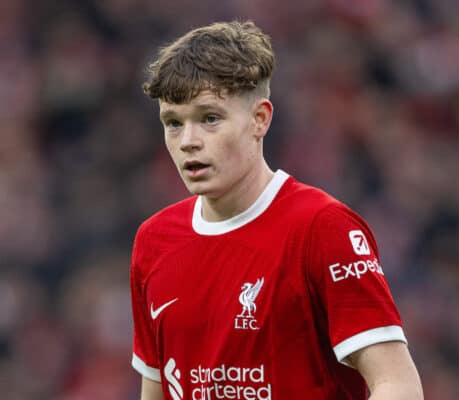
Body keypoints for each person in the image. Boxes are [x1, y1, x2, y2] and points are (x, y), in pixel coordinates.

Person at [130, 20, 423, 400]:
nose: (188, 141)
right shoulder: (154, 241)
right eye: (173, 123)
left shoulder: (322, 226)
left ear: (260, 119)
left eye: (210, 118)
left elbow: (397, 383)